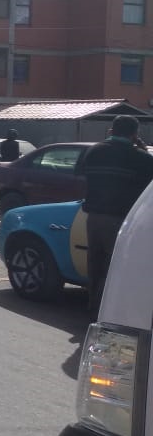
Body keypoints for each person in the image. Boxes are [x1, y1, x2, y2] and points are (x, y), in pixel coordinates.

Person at [77, 115, 153, 314]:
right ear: (135, 134)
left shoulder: (93, 151)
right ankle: (109, 313)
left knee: (95, 264)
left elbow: (82, 176)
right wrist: (142, 150)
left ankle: (93, 309)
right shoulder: (141, 158)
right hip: (121, 221)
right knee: (117, 268)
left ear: (111, 131)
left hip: (93, 218)